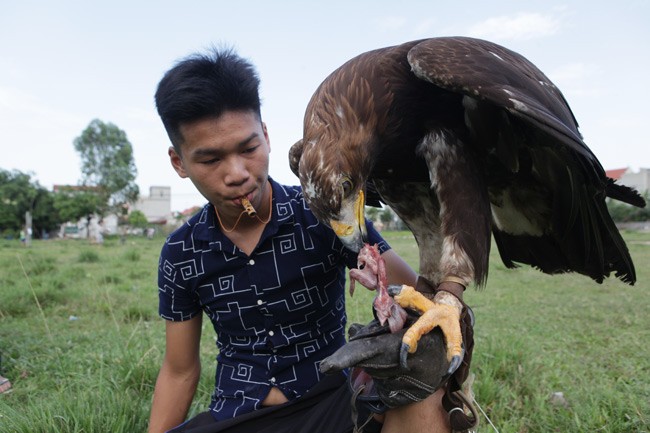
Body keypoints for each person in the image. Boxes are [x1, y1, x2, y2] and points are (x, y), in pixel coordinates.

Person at [148, 47, 458, 433]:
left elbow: (415, 295)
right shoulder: (181, 253)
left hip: (334, 403)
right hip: (239, 413)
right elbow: (179, 371)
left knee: (420, 388)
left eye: (248, 149)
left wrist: (444, 302)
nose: (238, 173)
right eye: (211, 160)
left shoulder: (325, 210)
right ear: (179, 162)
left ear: (266, 135)